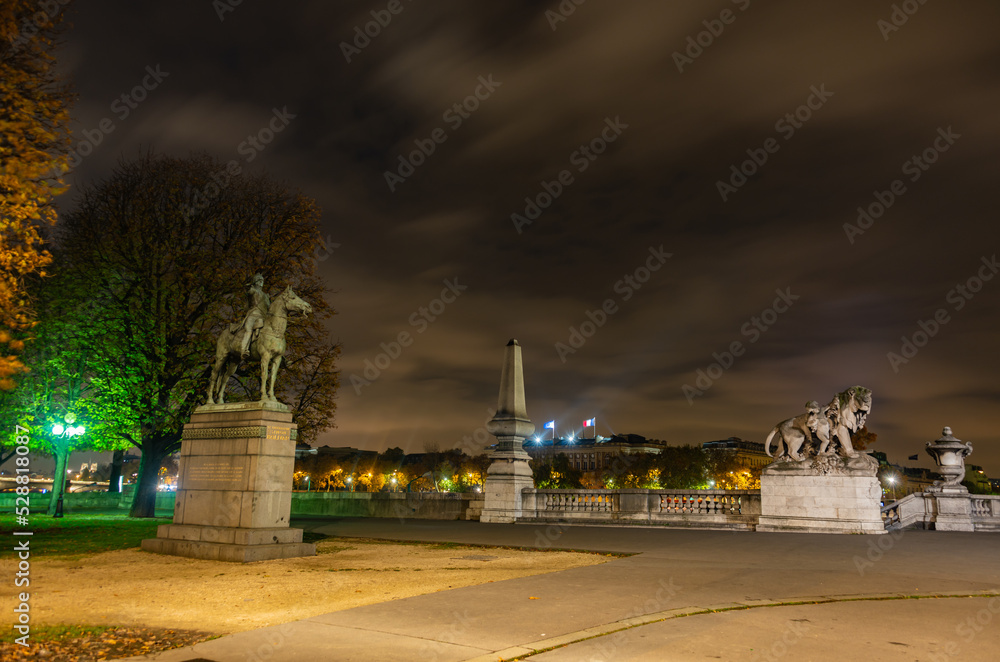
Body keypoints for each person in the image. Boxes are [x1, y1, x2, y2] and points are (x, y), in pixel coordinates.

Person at [238, 273, 270, 359]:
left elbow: (268, 308)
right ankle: (244, 350)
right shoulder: (253, 290)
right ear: (255, 282)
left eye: (262, 281)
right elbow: (249, 292)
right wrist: (248, 287)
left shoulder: (266, 296)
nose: (261, 282)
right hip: (253, 315)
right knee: (248, 331)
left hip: (263, 317)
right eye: (259, 280)